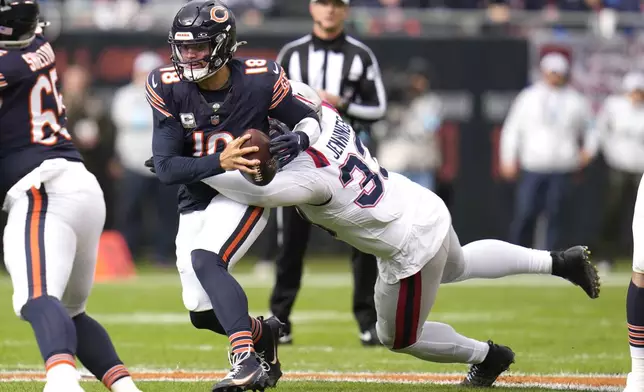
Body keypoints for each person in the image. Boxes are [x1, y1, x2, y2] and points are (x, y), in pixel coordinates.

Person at [200, 81, 601, 388]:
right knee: (458, 266)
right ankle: (558, 261)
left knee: (397, 338)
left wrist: (197, 164)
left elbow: (253, 188)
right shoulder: (323, 116)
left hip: (407, 244)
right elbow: (302, 97)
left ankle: (489, 356)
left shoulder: (306, 178)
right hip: (418, 203)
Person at [145, 1, 321, 390]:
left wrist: (300, 138)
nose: (188, 55)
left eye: (198, 47)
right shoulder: (167, 85)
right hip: (198, 195)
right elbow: (166, 169)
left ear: (223, 45)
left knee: (207, 259)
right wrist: (218, 161)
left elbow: (311, 116)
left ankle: (244, 361)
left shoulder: (259, 79)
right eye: (183, 46)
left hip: (247, 190)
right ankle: (263, 333)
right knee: (200, 310)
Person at [0, 1, 142, 392]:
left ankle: (62, 381)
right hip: (79, 185)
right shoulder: (35, 46)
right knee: (70, 311)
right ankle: (126, 388)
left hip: (43, 190)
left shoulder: (10, 64)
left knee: (36, 298)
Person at [266, 0, 388, 346]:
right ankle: (280, 319)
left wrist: (341, 103)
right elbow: (270, 98)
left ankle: (367, 320)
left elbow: (379, 107)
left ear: (345, 10)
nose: (330, 10)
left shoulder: (360, 55)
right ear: (311, 8)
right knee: (291, 241)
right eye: (324, 3)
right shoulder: (292, 53)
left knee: (363, 239)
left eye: (337, 4)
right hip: (299, 157)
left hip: (346, 158)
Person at [500, 52, 596, 249]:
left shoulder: (575, 100)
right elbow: (512, 130)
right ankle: (518, 254)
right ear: (543, 72)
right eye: (551, 72)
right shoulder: (528, 97)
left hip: (563, 166)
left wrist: (588, 151)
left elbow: (592, 129)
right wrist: (508, 159)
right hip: (533, 165)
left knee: (557, 214)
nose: (555, 76)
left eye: (559, 72)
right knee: (525, 212)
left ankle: (553, 259)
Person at [112, 51, 178, 266]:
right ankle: (128, 254)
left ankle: (164, 254)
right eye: (143, 72)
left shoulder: (171, 96)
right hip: (132, 161)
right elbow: (127, 119)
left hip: (163, 161)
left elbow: (170, 122)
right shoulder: (124, 95)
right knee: (130, 211)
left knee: (166, 211)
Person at [593, 72, 644, 273]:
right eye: (634, 91)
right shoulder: (614, 106)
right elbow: (600, 130)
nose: (637, 95)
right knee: (612, 212)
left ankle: (640, 258)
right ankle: (606, 255)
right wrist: (607, 152)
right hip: (618, 165)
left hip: (641, 169)